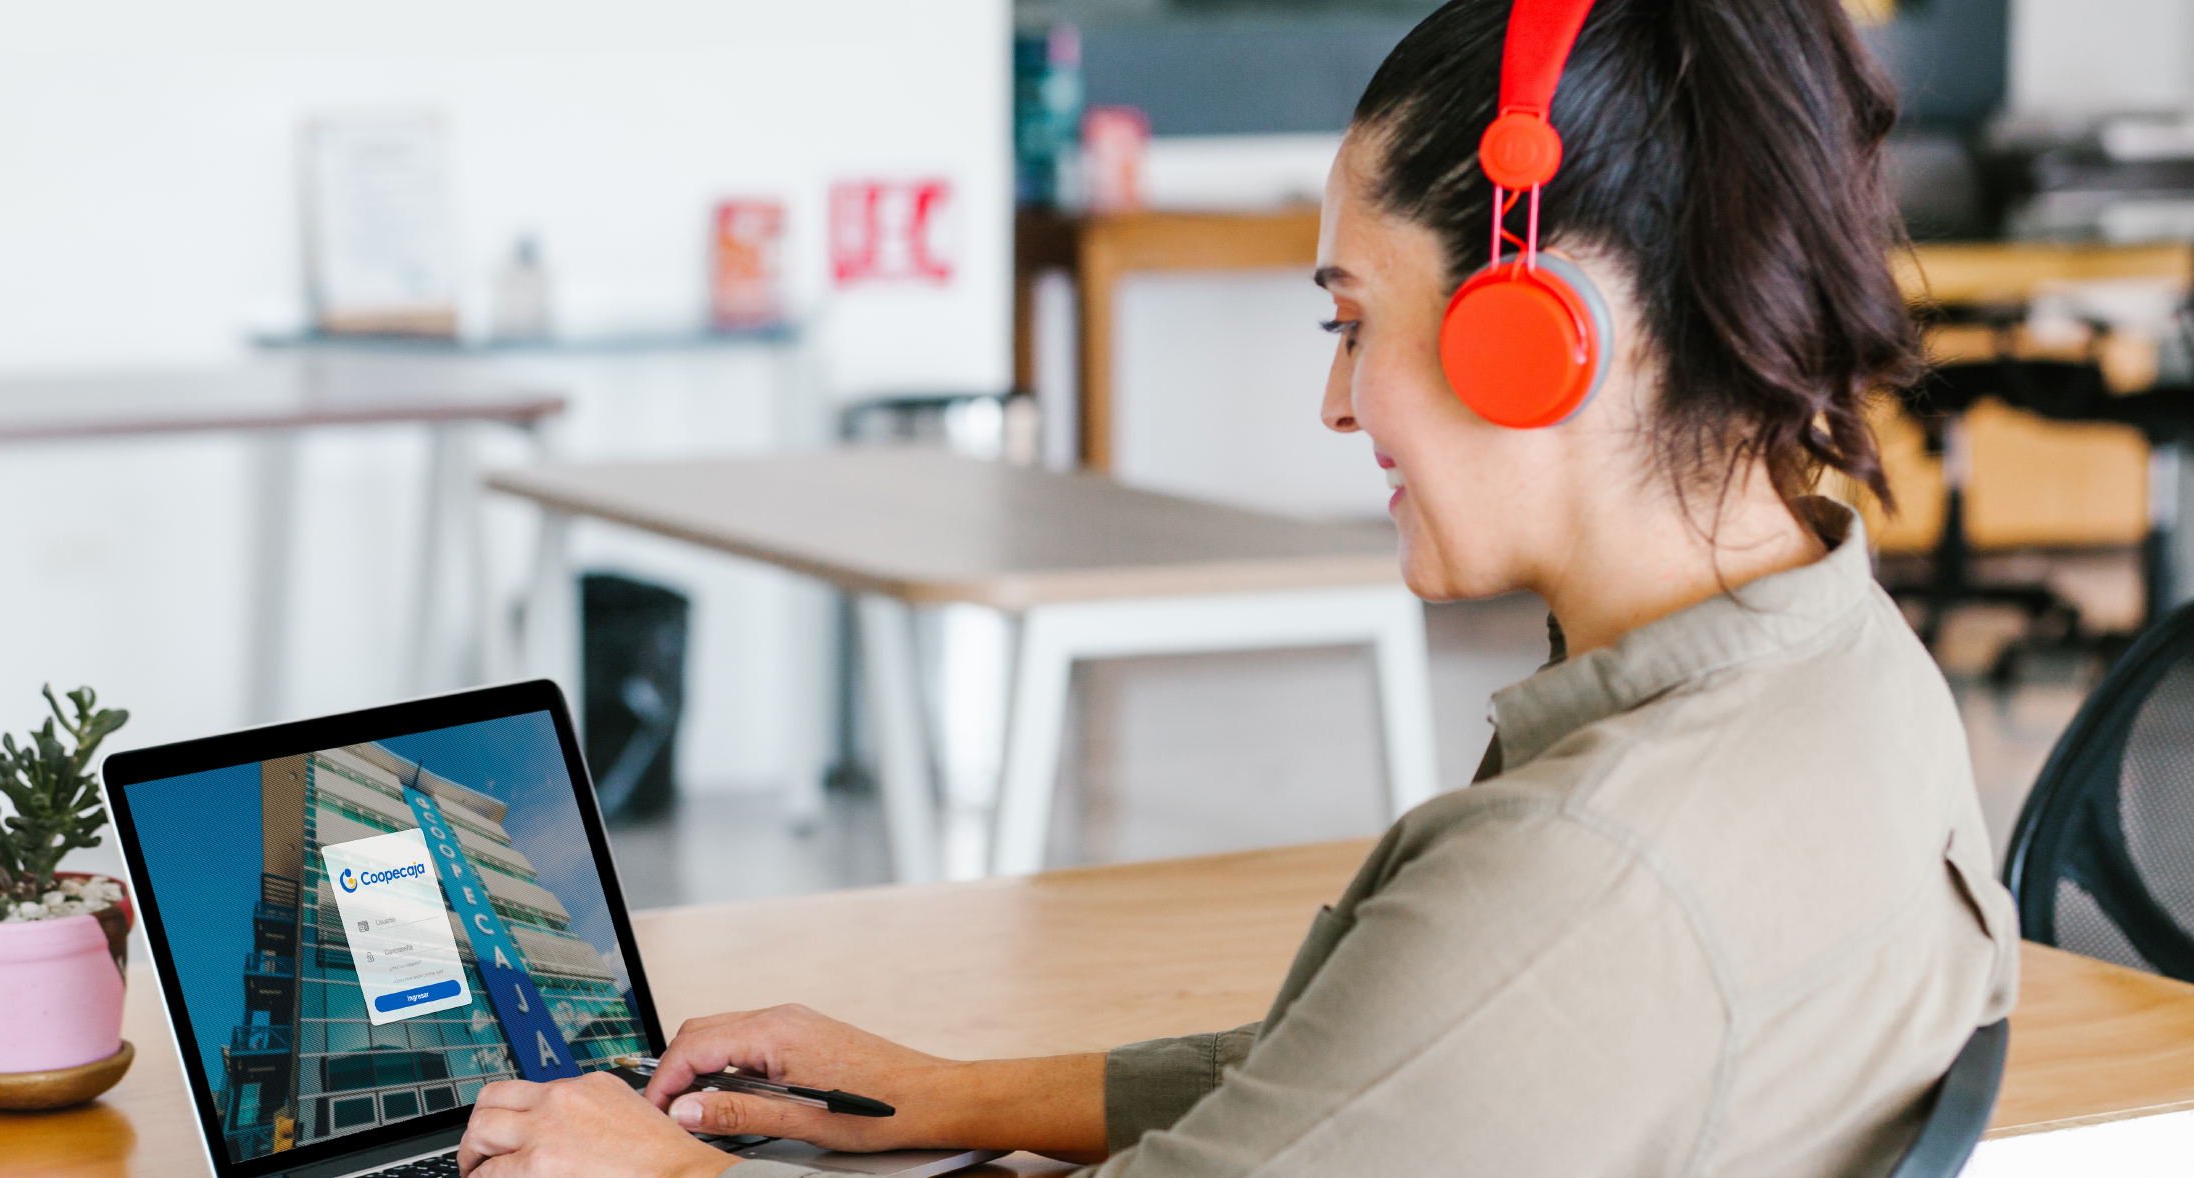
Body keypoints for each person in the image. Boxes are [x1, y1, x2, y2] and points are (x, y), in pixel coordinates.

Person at [454, 1, 2018, 1174]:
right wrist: (956, 1091)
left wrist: (663, 1170)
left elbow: (1472, 1000)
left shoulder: (1586, 874)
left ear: (1534, 330)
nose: (1338, 409)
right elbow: (1370, 1068)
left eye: (1351, 322)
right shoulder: (1848, 662)